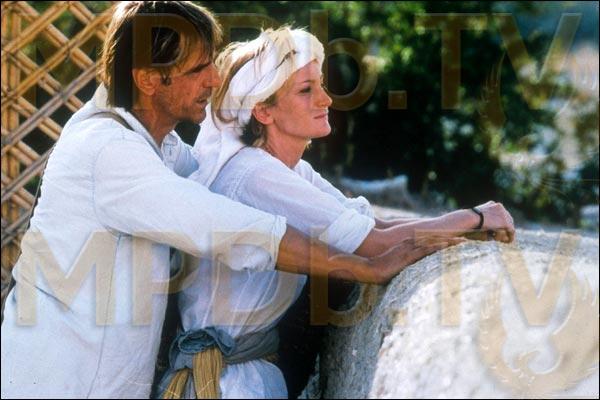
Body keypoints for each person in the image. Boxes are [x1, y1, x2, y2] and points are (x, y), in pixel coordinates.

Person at [0, 3, 459, 398]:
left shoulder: (158, 147)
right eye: (198, 69)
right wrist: (363, 267)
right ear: (148, 79)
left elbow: (225, 177)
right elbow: (226, 227)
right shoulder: (109, 150)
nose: (215, 79)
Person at [157, 27, 515, 398]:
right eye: (306, 90)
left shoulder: (290, 169)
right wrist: (476, 215)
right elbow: (375, 245)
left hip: (244, 376)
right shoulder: (253, 175)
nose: (326, 99)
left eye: (322, 85)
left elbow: (373, 225)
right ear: (263, 110)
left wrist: (462, 225)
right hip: (224, 385)